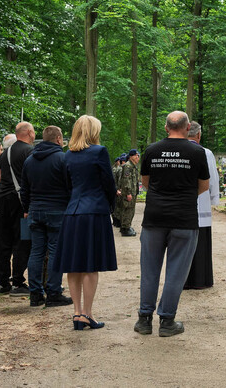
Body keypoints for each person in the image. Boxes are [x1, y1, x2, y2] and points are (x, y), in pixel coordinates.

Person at [134, 111, 210, 337]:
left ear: (166, 128)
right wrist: (184, 195)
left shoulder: (151, 150)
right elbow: (204, 185)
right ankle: (167, 321)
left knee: (149, 270)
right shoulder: (197, 151)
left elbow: (145, 182)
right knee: (177, 272)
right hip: (184, 219)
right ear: (188, 128)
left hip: (154, 217)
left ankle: (144, 319)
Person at [53, 115, 117, 330]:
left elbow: (67, 185)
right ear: (93, 131)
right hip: (95, 212)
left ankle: (77, 313)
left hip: (73, 212)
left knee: (74, 264)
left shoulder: (68, 155)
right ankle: (88, 314)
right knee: (91, 265)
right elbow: (109, 183)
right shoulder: (99, 152)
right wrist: (111, 205)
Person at [21, 125, 73, 308]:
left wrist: (27, 207)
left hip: (35, 210)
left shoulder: (30, 160)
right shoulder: (63, 159)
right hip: (57, 210)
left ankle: (35, 294)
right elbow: (70, 186)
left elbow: (24, 189)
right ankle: (53, 293)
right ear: (59, 139)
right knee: (55, 252)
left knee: (36, 251)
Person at [0, 122, 35, 296]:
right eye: (33, 132)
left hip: (3, 202)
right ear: (28, 133)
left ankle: (3, 283)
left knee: (4, 242)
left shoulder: (4, 154)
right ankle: (18, 282)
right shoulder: (29, 152)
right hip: (21, 203)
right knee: (23, 242)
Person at [183, 122, 219, 290]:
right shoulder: (206, 153)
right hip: (201, 202)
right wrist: (213, 200)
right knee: (201, 243)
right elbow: (212, 179)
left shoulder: (178, 150)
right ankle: (200, 279)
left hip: (180, 205)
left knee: (182, 244)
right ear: (198, 135)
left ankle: (183, 279)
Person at [116, 151, 139, 236]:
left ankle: (127, 226)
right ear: (131, 156)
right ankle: (125, 228)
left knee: (130, 210)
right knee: (127, 210)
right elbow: (126, 180)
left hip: (132, 192)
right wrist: (128, 192)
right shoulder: (128, 166)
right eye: (136, 156)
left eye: (138, 156)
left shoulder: (133, 166)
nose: (138, 158)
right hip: (128, 193)